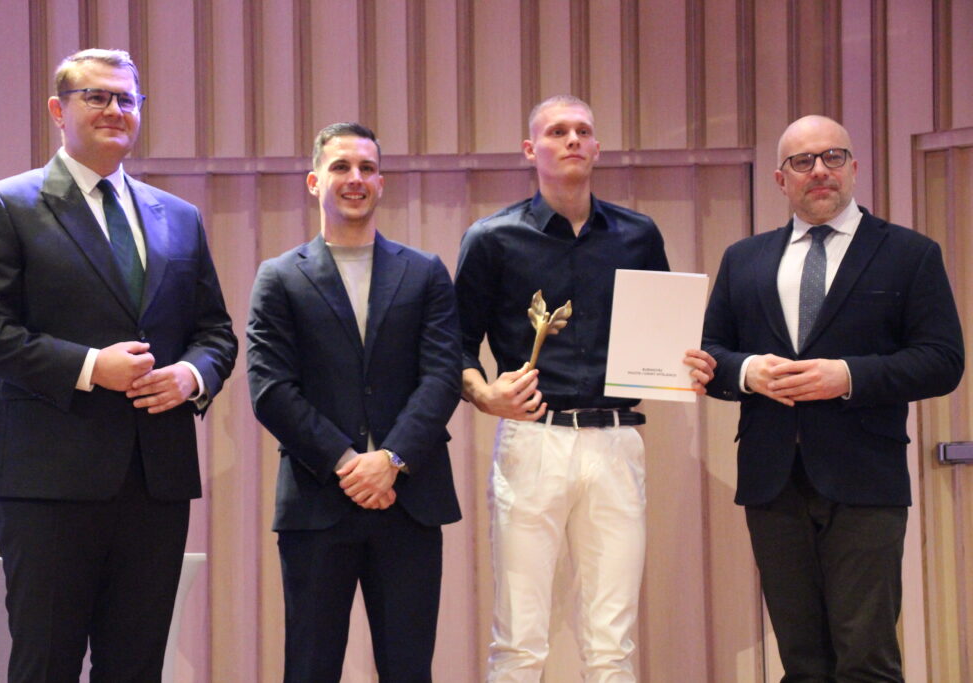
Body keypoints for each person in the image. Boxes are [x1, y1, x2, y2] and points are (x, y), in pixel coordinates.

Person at [0, 48, 237, 681]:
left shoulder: (178, 217)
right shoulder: (8, 205)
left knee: (136, 668)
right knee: (46, 664)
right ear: (59, 110)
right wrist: (88, 366)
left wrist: (191, 376)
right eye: (96, 96)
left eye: (126, 99)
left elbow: (215, 333)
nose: (114, 109)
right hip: (48, 483)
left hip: (155, 481)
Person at [454, 95, 715, 681]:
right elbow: (454, 347)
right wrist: (484, 394)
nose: (572, 139)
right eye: (557, 131)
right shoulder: (492, 239)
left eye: (582, 131)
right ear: (531, 150)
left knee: (612, 644)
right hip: (533, 439)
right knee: (519, 641)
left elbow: (665, 330)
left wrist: (689, 364)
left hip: (616, 442)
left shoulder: (638, 235)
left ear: (597, 147)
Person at [702, 114, 964, 681]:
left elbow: (943, 361)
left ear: (854, 168)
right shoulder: (742, 259)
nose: (819, 170)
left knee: (865, 659)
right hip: (773, 482)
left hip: (865, 481)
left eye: (833, 157)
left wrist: (847, 376)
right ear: (781, 179)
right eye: (803, 161)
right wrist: (747, 372)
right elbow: (710, 354)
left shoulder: (909, 254)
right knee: (801, 663)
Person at [246, 122, 462, 682]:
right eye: (341, 167)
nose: (355, 178)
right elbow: (270, 389)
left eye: (367, 168)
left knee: (409, 670)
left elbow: (442, 378)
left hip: (408, 500)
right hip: (318, 501)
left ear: (381, 183)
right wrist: (349, 463)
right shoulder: (279, 277)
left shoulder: (425, 272)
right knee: (310, 669)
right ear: (314, 181)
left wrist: (390, 460)